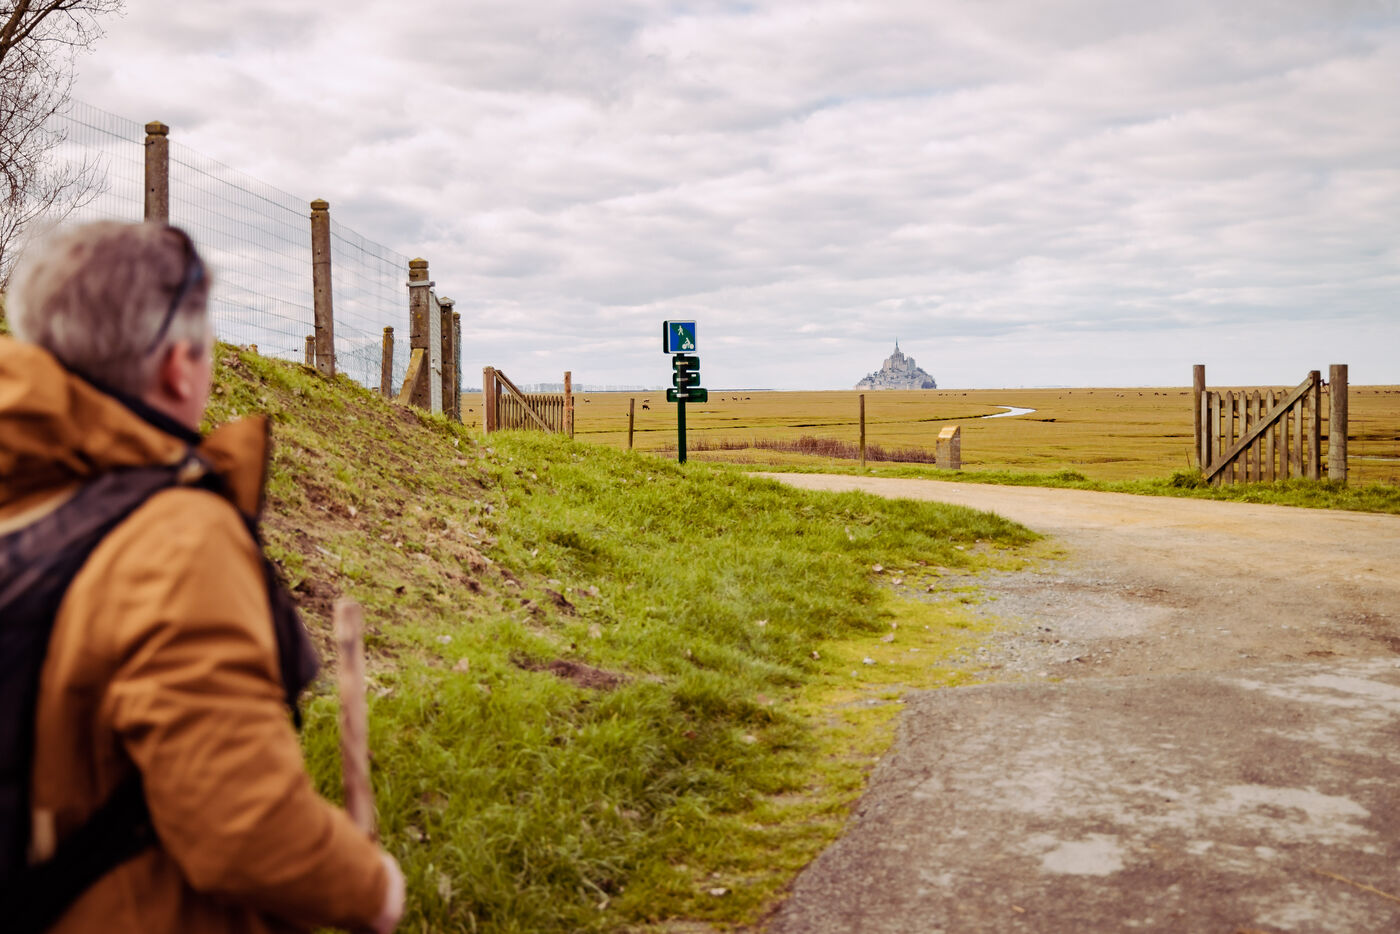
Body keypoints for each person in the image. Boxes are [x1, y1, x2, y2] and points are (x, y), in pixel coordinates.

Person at [0, 221, 404, 933]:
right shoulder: (176, 538)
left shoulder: (23, 502)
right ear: (178, 366)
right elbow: (242, 825)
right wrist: (372, 888)